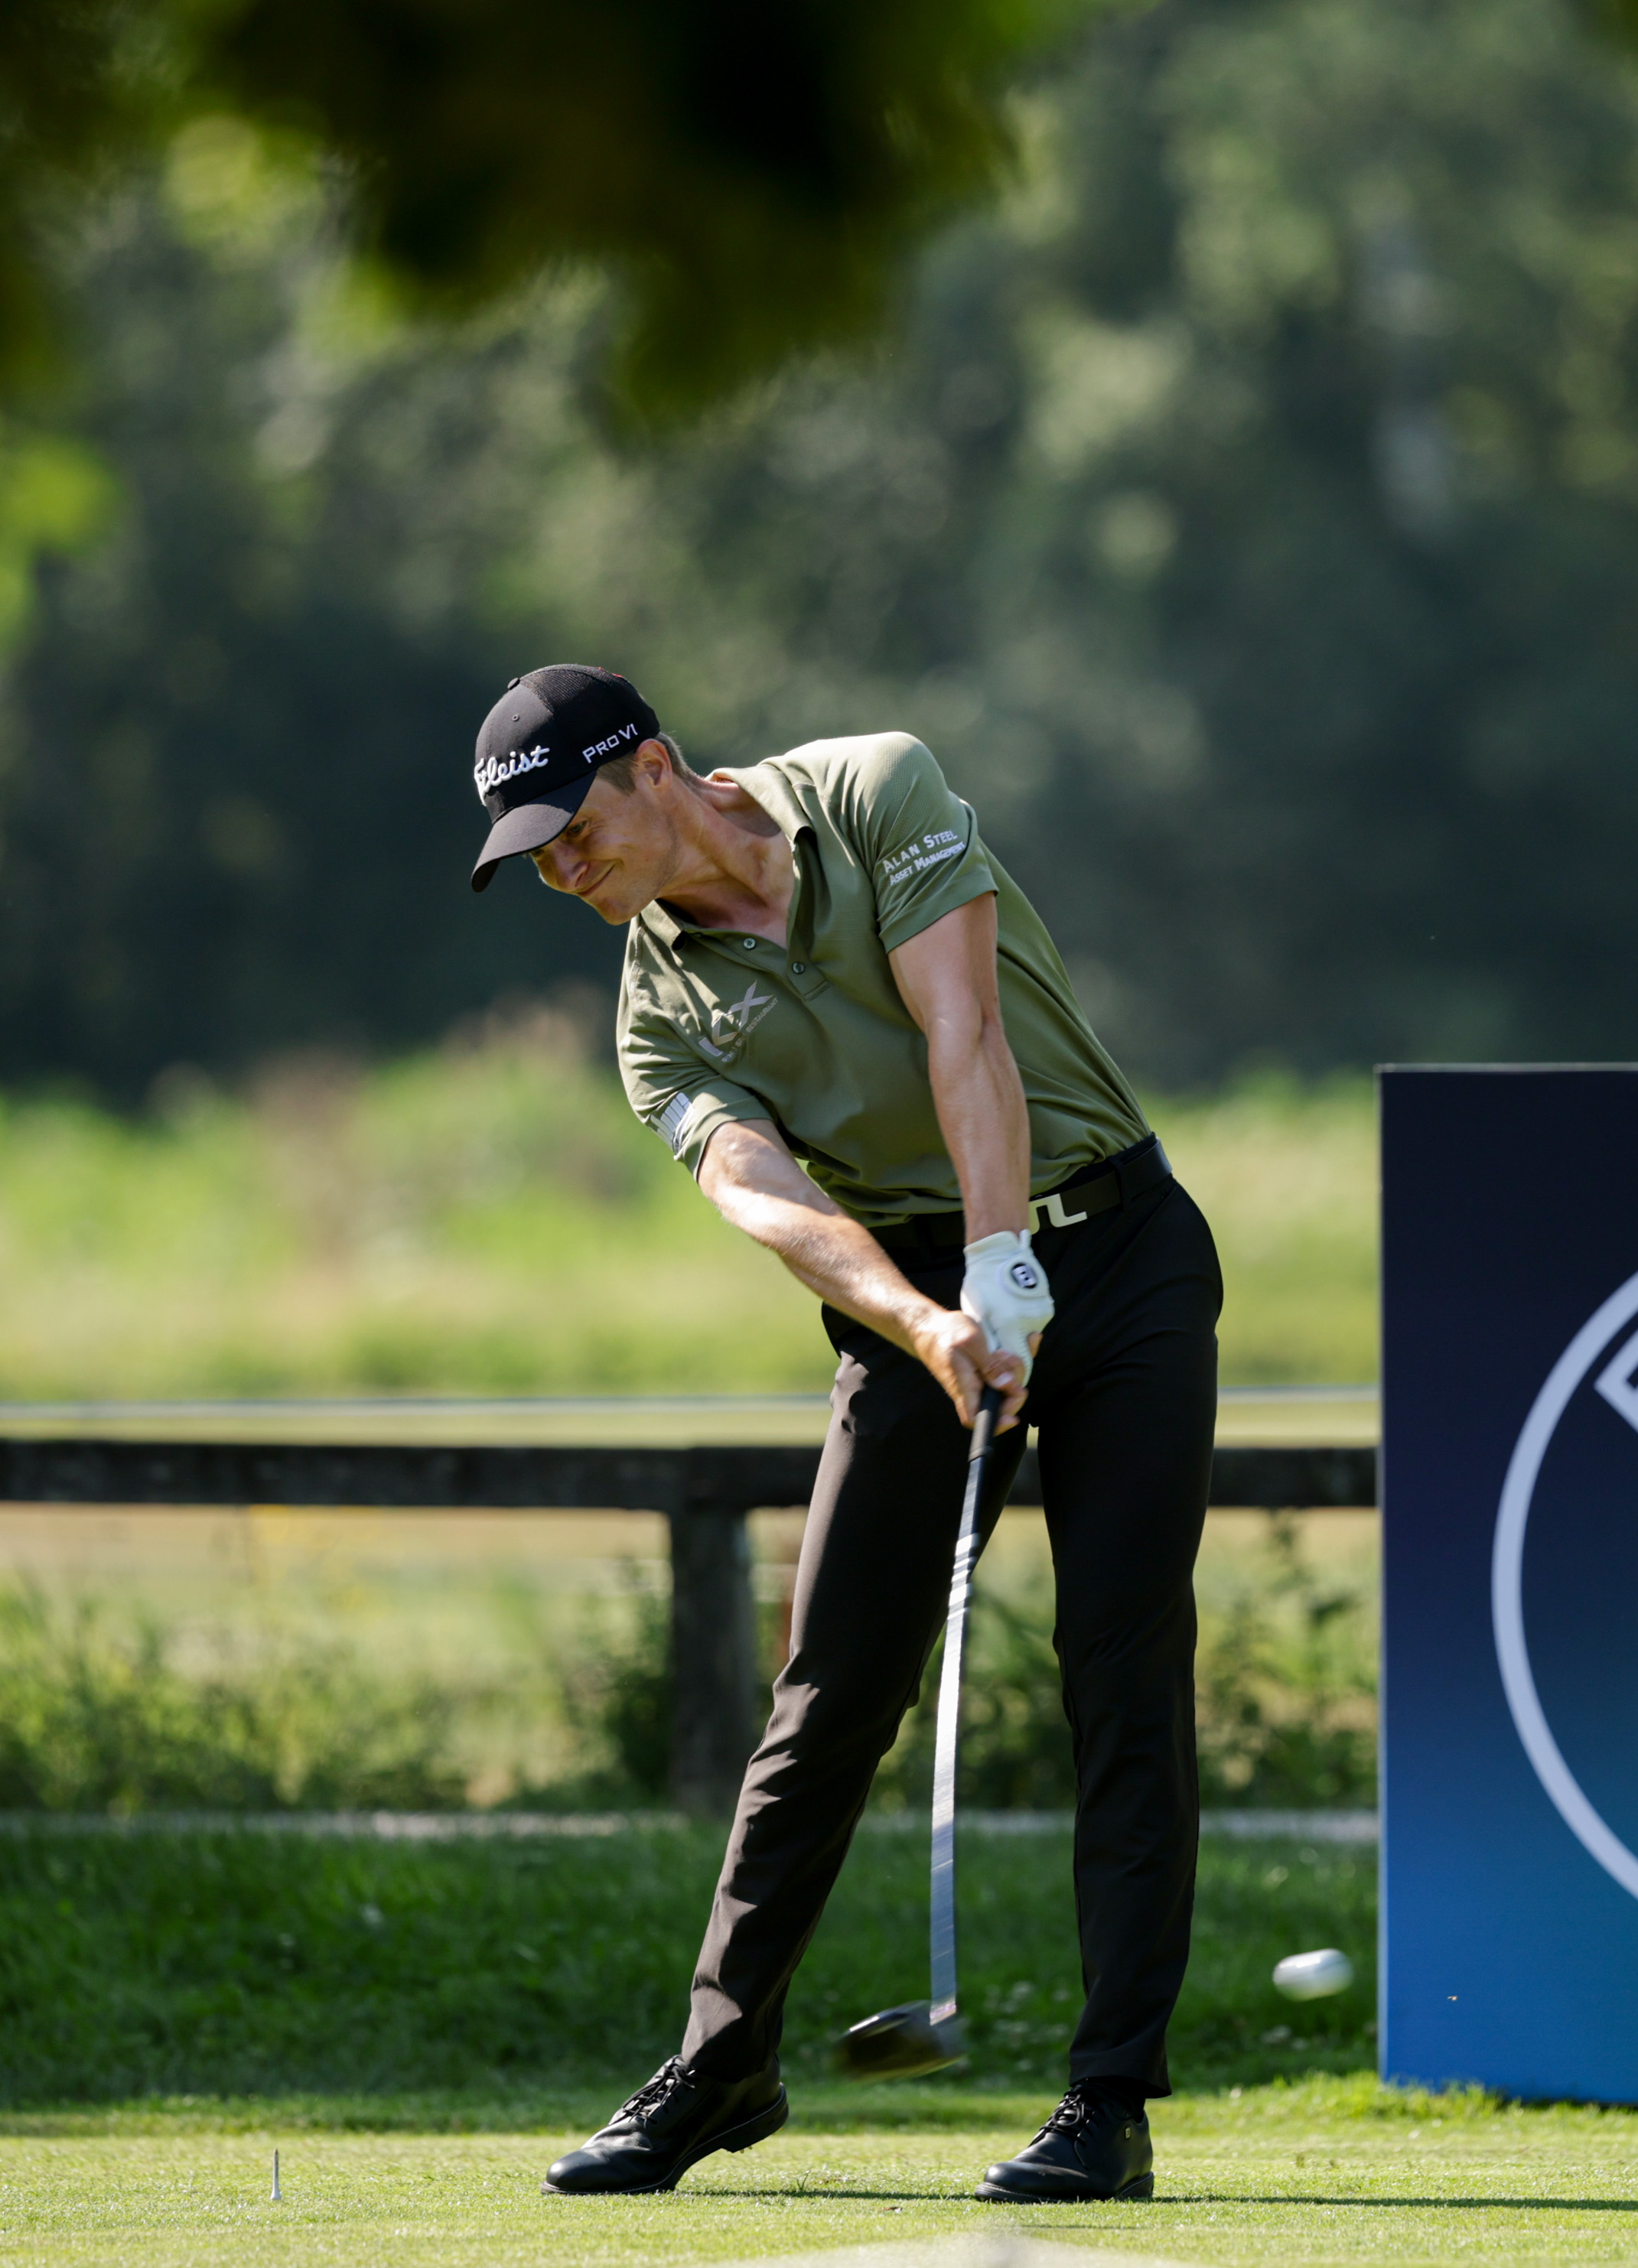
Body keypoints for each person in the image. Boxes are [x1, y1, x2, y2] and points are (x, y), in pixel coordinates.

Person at [465, 665, 1221, 2205]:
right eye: (532, 857)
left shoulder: (877, 790)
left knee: (1120, 1668)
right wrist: (931, 1322)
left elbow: (963, 1028)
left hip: (1118, 1256)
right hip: (907, 1297)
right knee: (827, 1695)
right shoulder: (657, 1016)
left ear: (655, 766)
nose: (562, 870)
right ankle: (721, 2066)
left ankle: (1108, 2098)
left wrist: (1005, 1261)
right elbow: (767, 1198)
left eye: (572, 829)